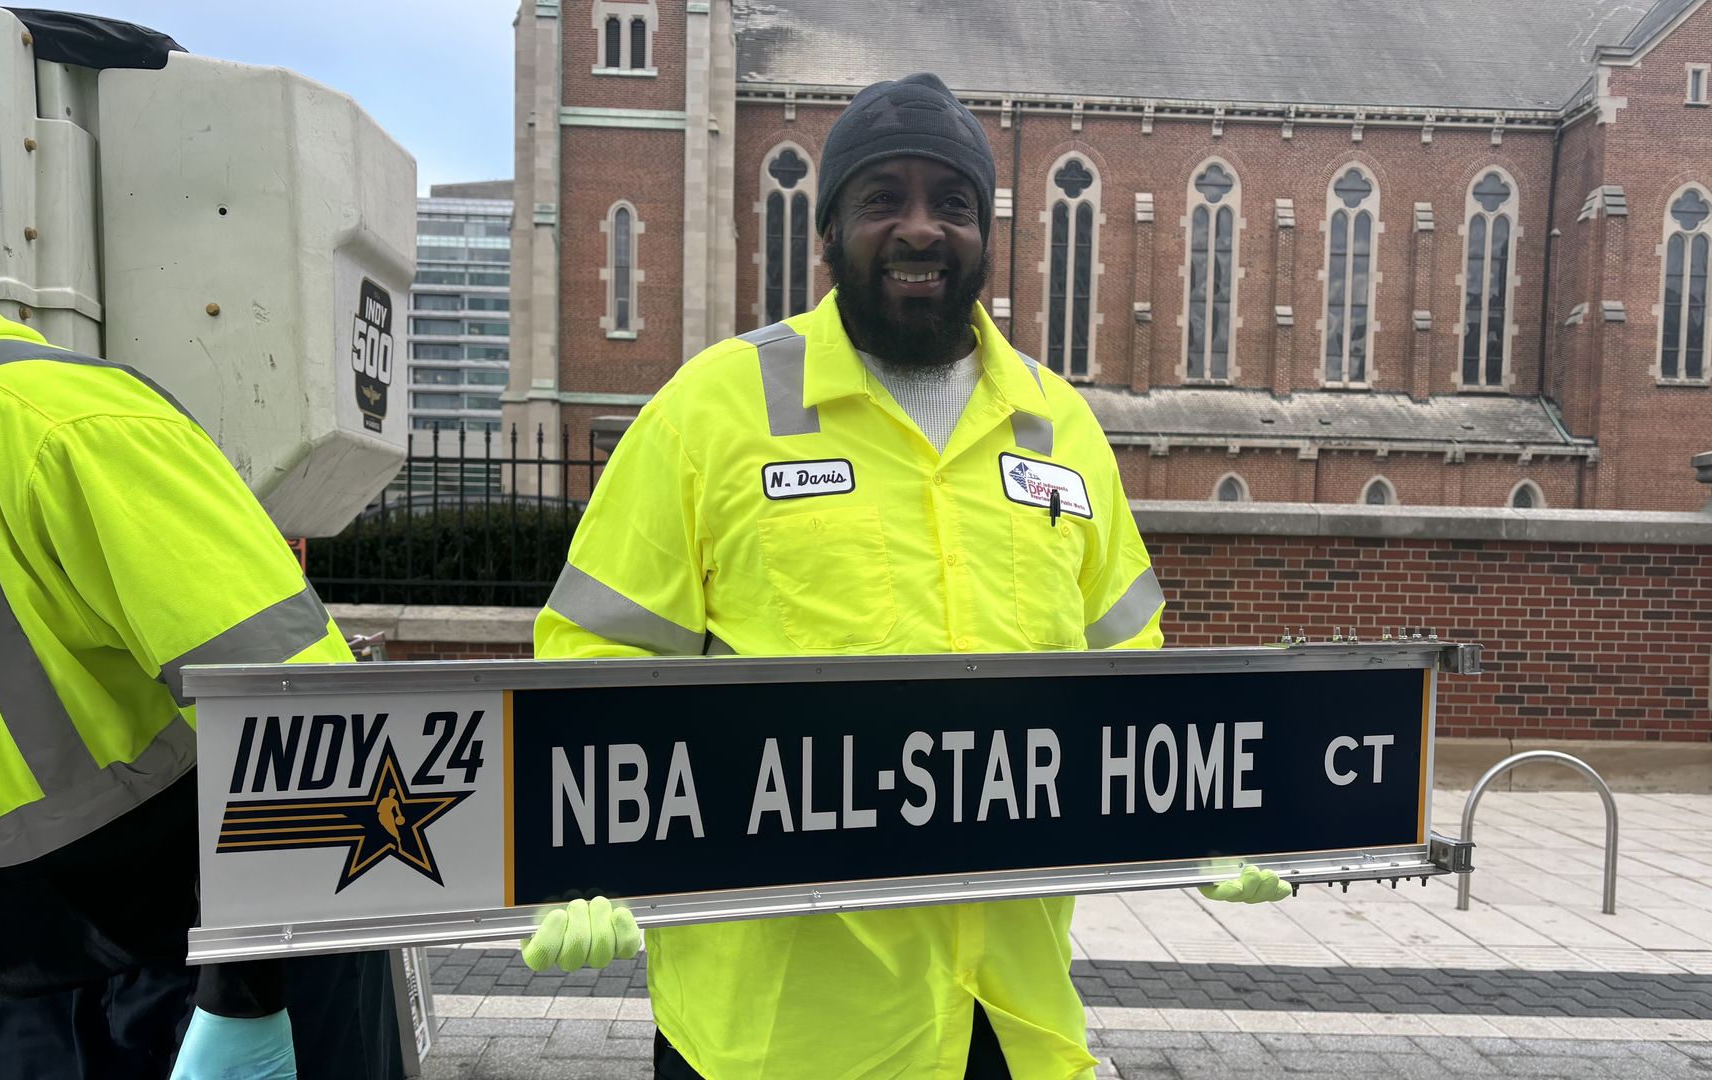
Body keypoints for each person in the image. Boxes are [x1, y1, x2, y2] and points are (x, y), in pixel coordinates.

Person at [523, 73, 1290, 1079]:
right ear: (828, 230)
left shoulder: (1061, 428)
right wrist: (583, 856)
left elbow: (1130, 678)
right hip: (781, 1038)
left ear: (984, 233)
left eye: (952, 203)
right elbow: (594, 652)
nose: (921, 229)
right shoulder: (711, 409)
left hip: (1006, 1021)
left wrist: (1207, 822)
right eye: (884, 198)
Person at [0, 256, 403, 1079]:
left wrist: (243, 997)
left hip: (226, 960)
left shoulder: (56, 426)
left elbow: (315, 723)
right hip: (29, 981)